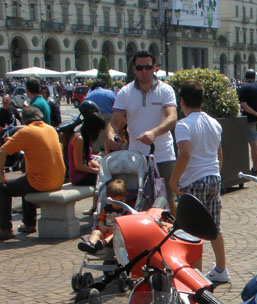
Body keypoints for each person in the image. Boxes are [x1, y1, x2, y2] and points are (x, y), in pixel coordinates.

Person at [168, 79, 228, 284]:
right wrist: (215, 175)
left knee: (191, 230)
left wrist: (173, 181)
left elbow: (184, 155)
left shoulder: (183, 125)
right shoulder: (214, 123)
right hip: (213, 177)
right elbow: (220, 155)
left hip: (194, 180)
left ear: (182, 101)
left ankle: (196, 275)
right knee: (214, 227)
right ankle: (221, 268)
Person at [107, 50, 178, 213]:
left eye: (148, 67)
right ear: (134, 69)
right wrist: (111, 134)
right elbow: (115, 120)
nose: (144, 71)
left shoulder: (166, 90)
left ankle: (171, 234)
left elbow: (172, 117)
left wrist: (154, 133)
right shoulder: (125, 92)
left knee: (167, 200)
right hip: (136, 157)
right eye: (140, 68)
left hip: (163, 155)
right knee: (138, 199)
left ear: (155, 68)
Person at [0, 107, 65, 240]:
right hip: (58, 179)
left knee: (2, 188)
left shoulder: (26, 131)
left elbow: (2, 151)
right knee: (25, 180)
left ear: (24, 120)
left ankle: (5, 229)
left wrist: (1, 172)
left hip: (41, 181)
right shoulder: (50, 129)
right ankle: (29, 224)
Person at [77, 178, 127, 254]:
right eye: (116, 202)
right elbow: (100, 220)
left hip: (116, 235)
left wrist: (114, 228)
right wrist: (102, 227)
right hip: (104, 232)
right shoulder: (106, 209)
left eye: (121, 200)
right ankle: (91, 243)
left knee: (116, 235)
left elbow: (126, 226)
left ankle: (104, 243)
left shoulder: (126, 210)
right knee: (96, 231)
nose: (118, 204)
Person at [237, 69, 257, 176]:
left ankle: (255, 169)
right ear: (255, 77)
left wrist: (255, 113)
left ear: (246, 77)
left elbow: (244, 105)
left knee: (254, 144)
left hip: (250, 119)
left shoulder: (244, 88)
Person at [68, 111, 105, 187]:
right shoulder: (79, 139)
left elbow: (90, 159)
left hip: (85, 173)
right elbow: (79, 166)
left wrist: (101, 167)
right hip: (78, 177)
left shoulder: (87, 139)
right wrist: (97, 171)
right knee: (106, 179)